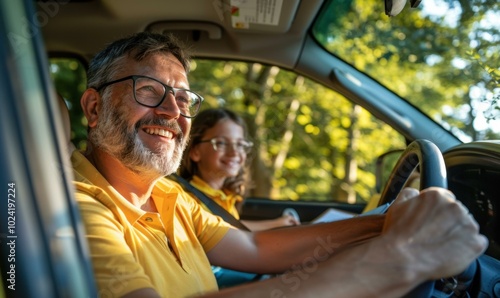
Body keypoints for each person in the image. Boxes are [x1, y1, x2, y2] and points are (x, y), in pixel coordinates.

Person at [71, 31, 487, 298]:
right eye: (148, 90)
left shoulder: (167, 194)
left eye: (182, 100)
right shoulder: (74, 207)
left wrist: (383, 222)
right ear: (94, 107)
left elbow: (254, 248)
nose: (171, 112)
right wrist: (402, 256)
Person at [179, 107, 300, 231]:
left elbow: (233, 226)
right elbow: (225, 231)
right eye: (221, 143)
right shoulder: (188, 200)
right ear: (195, 151)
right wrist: (277, 224)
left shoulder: (227, 196)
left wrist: (280, 223)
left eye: (240, 144)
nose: (234, 152)